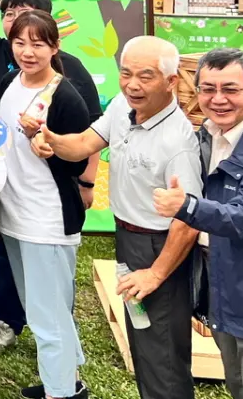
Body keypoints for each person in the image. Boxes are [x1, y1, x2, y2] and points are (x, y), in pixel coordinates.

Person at [32, 36, 203, 399]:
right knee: (144, 340)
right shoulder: (123, 112)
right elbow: (81, 144)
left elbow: (187, 222)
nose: (132, 84)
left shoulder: (178, 142)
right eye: (126, 73)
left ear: (172, 82)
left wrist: (156, 272)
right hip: (127, 237)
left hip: (160, 247)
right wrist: (49, 139)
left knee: (163, 354)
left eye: (146, 76)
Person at [0, 0, 103, 354]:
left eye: (32, 24)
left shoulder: (68, 73)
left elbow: (92, 129)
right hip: (6, 189)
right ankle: (7, 322)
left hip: (47, 197)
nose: (25, 44)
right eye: (11, 17)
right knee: (3, 257)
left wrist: (87, 184)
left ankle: (61, 363)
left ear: (50, 32)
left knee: (49, 283)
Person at [0, 11, 93, 399]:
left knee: (47, 315)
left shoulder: (64, 96)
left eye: (38, 44)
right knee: (43, 310)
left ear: (54, 47)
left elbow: (78, 160)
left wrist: (47, 146)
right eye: (20, 43)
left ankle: (60, 392)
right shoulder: (7, 82)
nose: (28, 52)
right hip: (13, 214)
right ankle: (67, 381)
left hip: (46, 219)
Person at [153, 48, 243, 399]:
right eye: (208, 89)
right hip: (219, 277)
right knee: (235, 378)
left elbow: (242, 218)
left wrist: (187, 206)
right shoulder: (206, 137)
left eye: (230, 89)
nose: (218, 99)